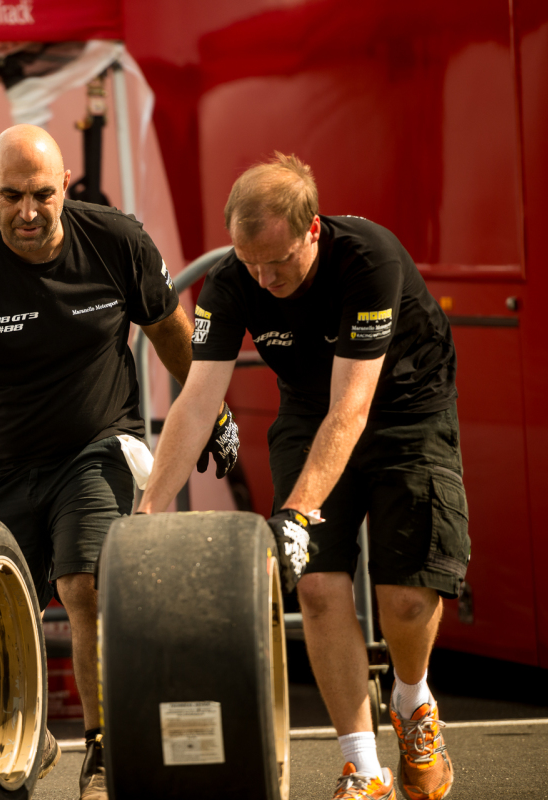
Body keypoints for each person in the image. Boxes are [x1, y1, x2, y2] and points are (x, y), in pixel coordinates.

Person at [0, 124, 239, 800]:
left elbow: (168, 329)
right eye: (11, 196)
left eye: (42, 194)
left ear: (65, 185)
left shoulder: (118, 241)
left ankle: (104, 750)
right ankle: (27, 733)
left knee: (84, 582)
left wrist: (210, 409)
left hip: (95, 444)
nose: (29, 212)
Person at [138, 153, 468, 800]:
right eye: (249, 263)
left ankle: (411, 701)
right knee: (316, 585)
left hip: (407, 411)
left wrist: (296, 513)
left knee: (405, 598)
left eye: (278, 262)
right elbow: (198, 400)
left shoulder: (369, 260)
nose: (264, 279)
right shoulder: (233, 281)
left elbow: (353, 408)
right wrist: (147, 513)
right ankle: (362, 768)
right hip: (308, 410)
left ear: (312, 229)